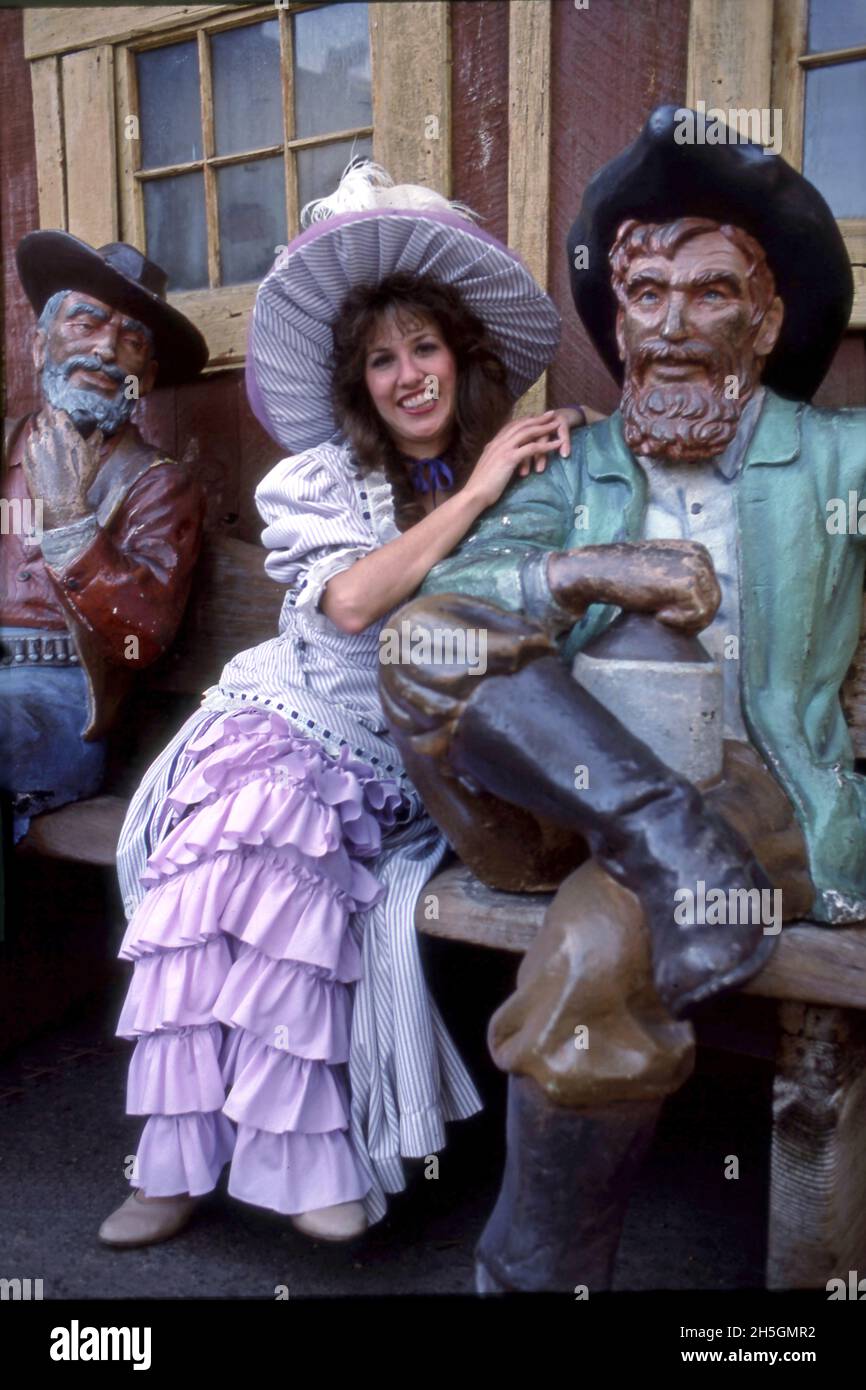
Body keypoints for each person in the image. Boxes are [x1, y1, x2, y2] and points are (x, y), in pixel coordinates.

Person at [379, 104, 863, 1291]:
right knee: (422, 637)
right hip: (550, 796)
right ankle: (662, 837)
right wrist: (589, 570)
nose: (672, 325)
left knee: (597, 946)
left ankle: (528, 1282)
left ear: (765, 322)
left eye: (709, 294)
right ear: (617, 322)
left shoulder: (838, 458)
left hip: (747, 786)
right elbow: (455, 601)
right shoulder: (576, 463)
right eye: (644, 294)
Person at [98, 158, 597, 1248]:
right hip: (282, 723)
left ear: (461, 358)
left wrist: (531, 464)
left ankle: (293, 1160)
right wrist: (475, 492)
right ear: (357, 382)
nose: (408, 376)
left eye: (425, 348)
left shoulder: (520, 470)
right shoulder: (321, 480)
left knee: (288, 881)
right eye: (381, 359)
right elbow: (358, 602)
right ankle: (170, 1165)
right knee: (219, 873)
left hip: (402, 763)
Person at [1, 235, 207, 842]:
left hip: (66, 706)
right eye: (85, 323)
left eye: (132, 340)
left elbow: (142, 638)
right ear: (39, 344)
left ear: (147, 376)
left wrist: (70, 519)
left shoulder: (158, 485)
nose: (105, 349)